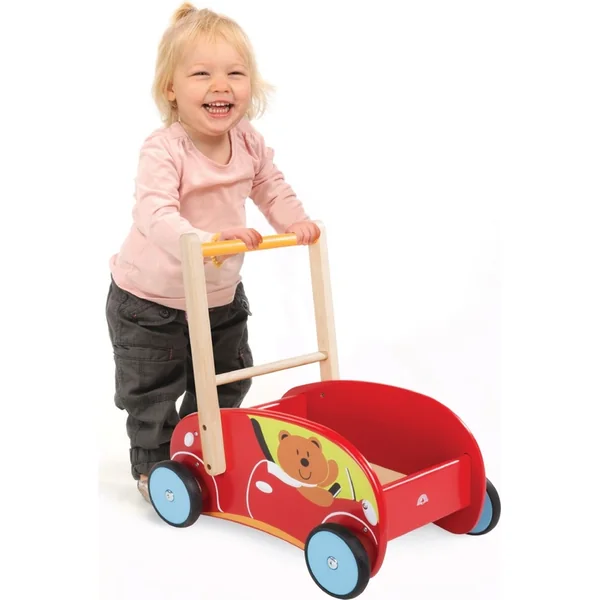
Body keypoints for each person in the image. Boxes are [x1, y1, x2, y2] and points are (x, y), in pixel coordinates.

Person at [105, 2, 320, 502]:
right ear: (171, 89)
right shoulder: (164, 149)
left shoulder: (248, 141)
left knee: (227, 379)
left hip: (218, 295)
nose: (220, 86)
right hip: (150, 302)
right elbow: (156, 214)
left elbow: (270, 186)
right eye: (202, 74)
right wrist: (209, 243)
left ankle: (200, 446)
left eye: (235, 74)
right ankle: (156, 468)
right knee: (153, 392)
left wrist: (294, 222)